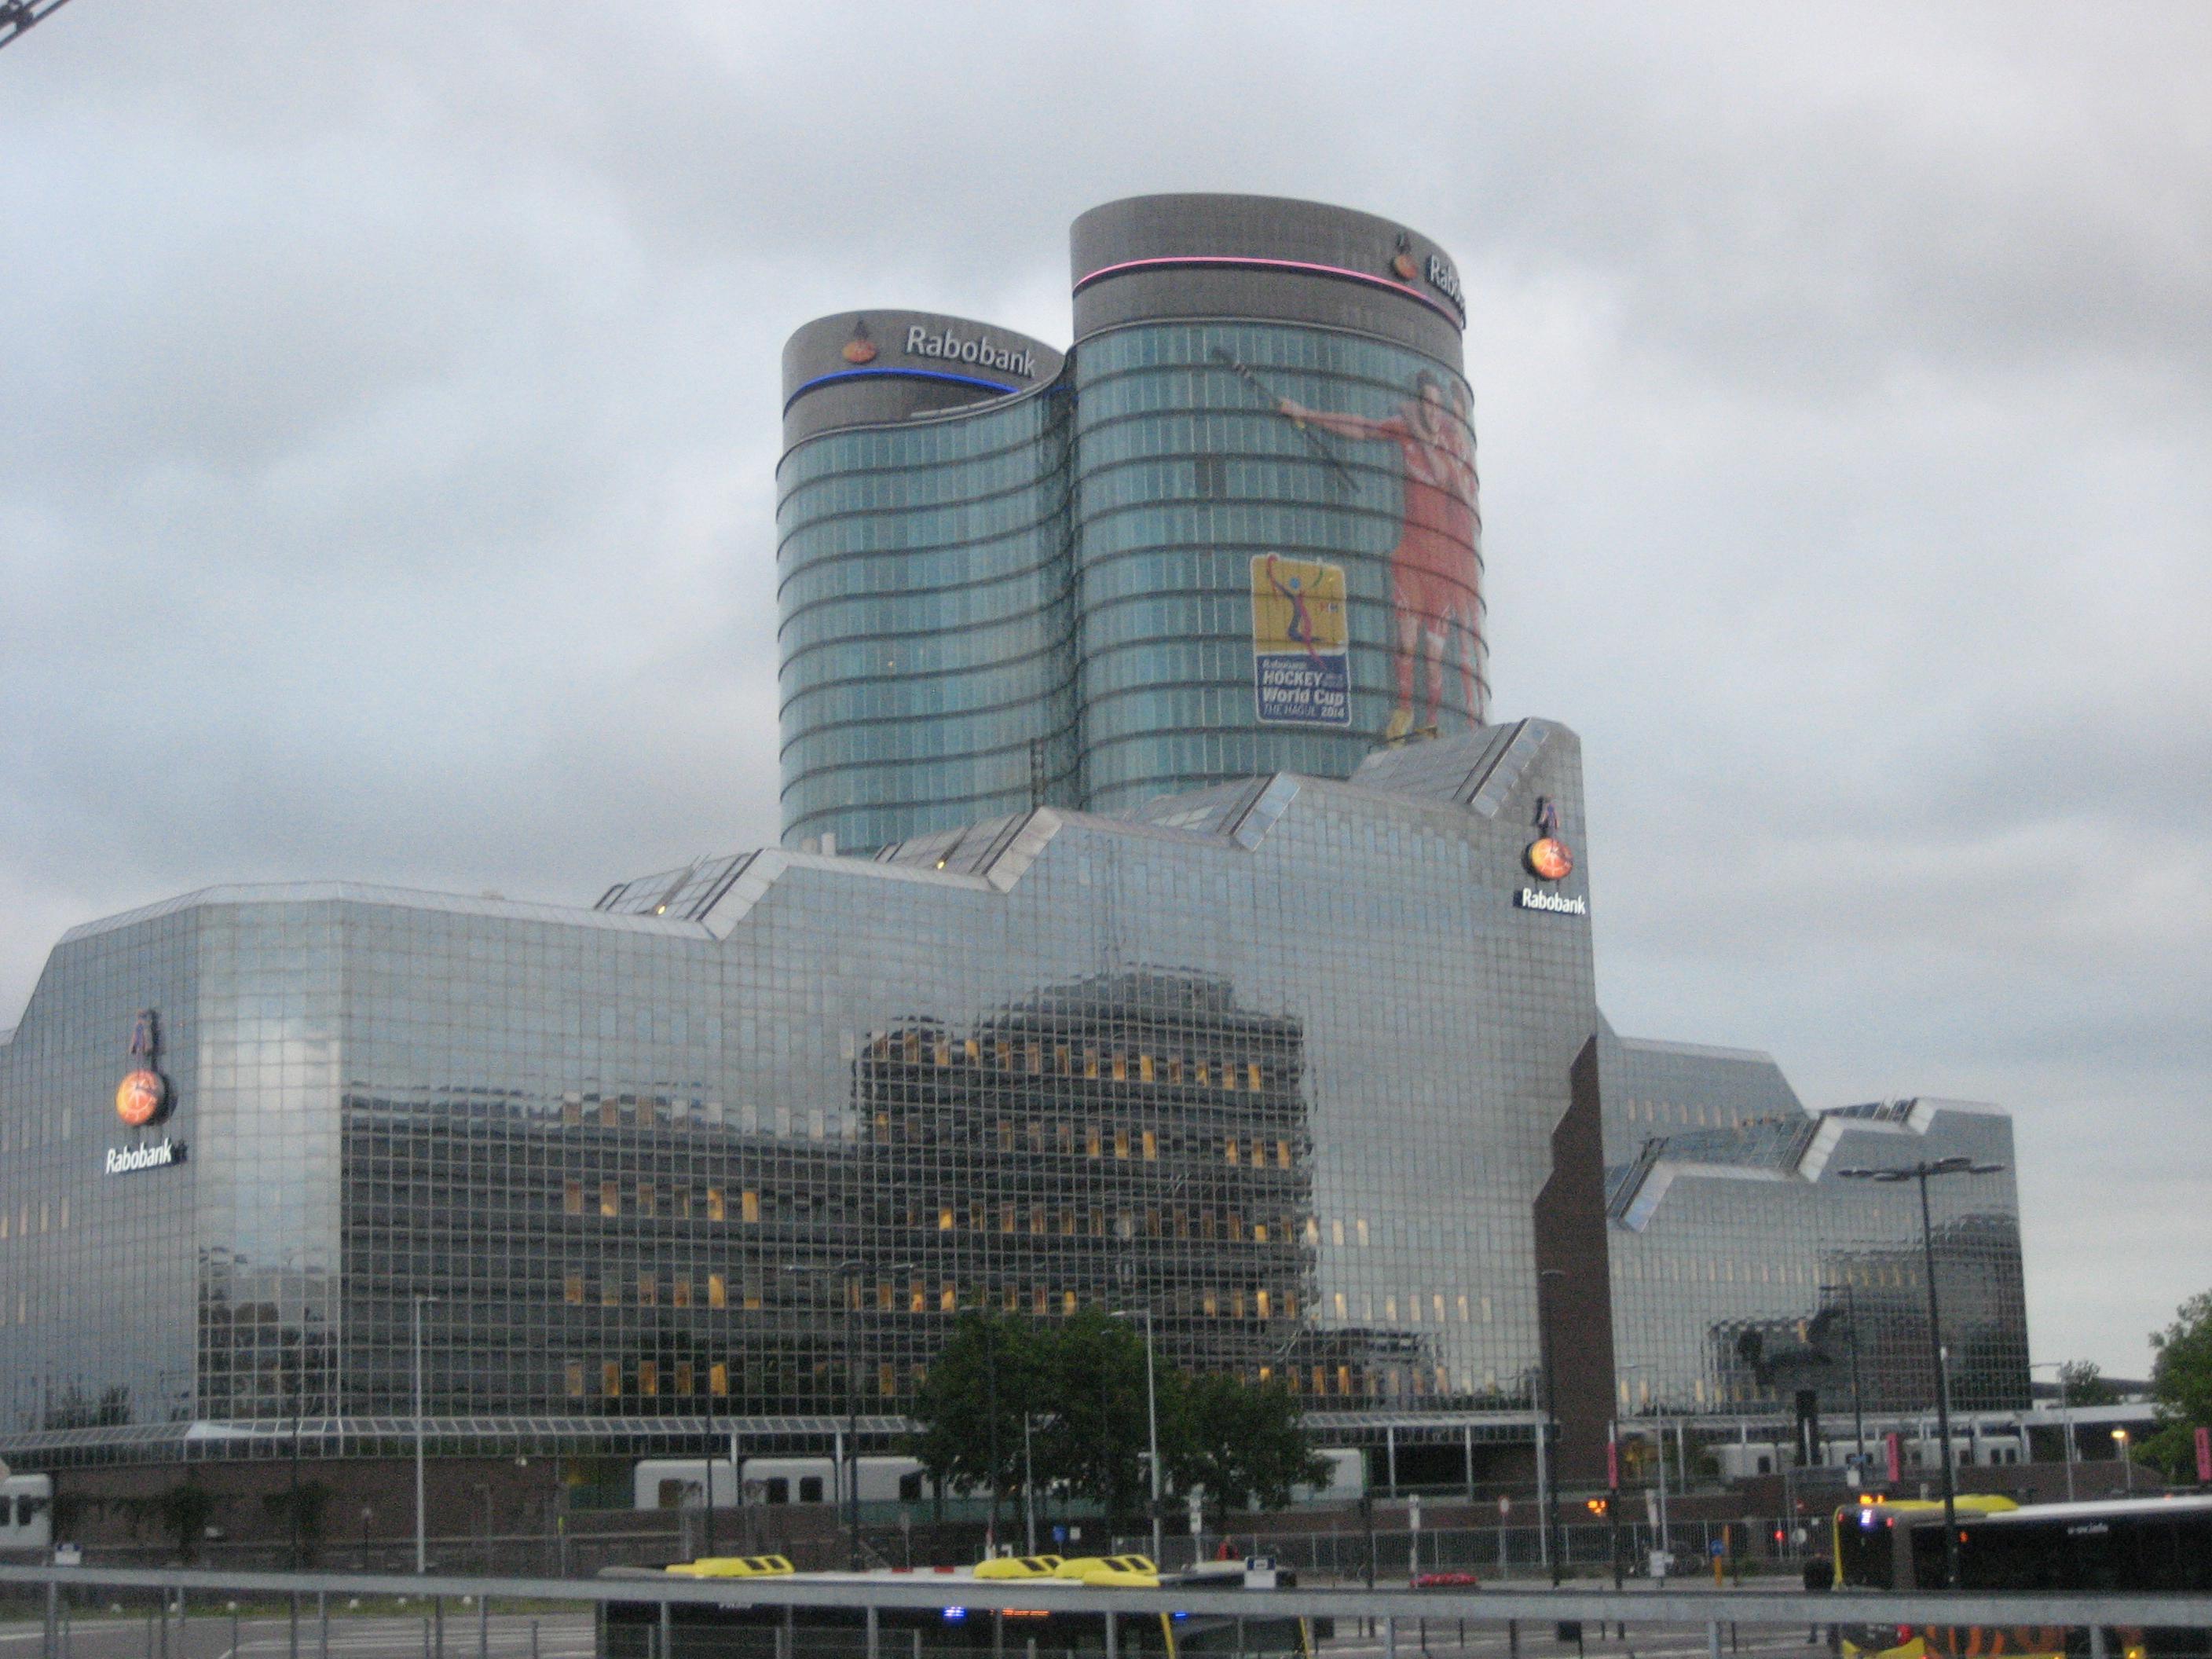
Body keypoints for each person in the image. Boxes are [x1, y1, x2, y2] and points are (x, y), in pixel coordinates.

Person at [1277, 375, 1482, 741]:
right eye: (1427, 404)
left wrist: (1421, 435)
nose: (1433, 413)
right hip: (1411, 555)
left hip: (1442, 567)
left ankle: (1431, 723)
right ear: (1420, 404)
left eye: (1438, 406)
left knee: (1433, 660)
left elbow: (1441, 475)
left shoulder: (1453, 444)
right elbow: (1362, 427)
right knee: (1405, 643)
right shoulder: (1405, 431)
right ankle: (1403, 712)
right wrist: (1306, 413)